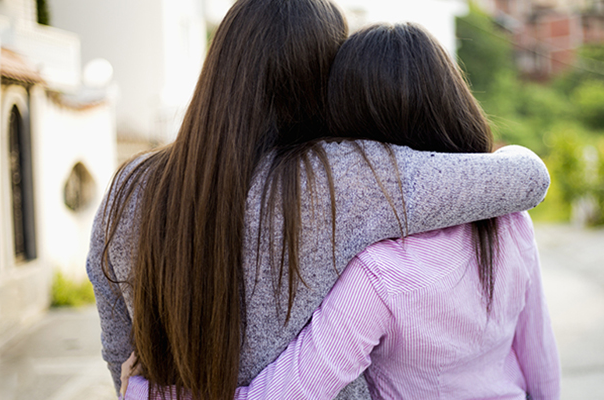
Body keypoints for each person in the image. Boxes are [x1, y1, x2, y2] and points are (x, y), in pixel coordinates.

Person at [88, 1, 550, 399]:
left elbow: (120, 353)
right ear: (324, 80)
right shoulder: (347, 176)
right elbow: (526, 179)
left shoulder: (126, 188)